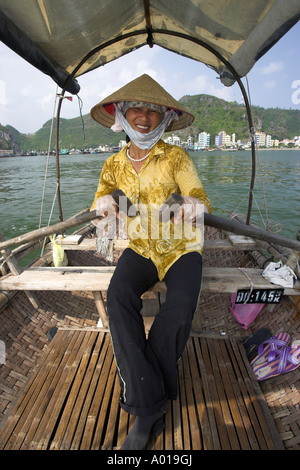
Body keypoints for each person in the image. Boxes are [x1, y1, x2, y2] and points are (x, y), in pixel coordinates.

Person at [90, 74, 212, 450]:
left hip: (181, 249)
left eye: (153, 112)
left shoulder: (176, 156)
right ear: (122, 115)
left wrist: (192, 206)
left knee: (178, 309)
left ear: (164, 119)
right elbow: (102, 196)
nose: (144, 117)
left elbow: (198, 197)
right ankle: (153, 401)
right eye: (137, 109)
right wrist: (105, 203)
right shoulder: (112, 164)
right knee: (117, 298)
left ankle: (145, 410)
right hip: (141, 246)